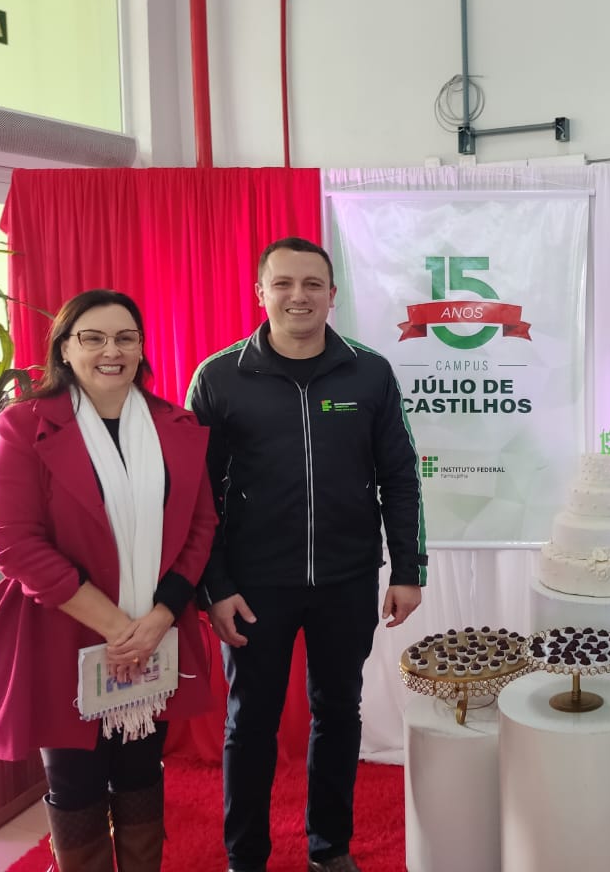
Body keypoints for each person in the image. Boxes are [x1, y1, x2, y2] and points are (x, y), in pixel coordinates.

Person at [187, 237, 426, 872]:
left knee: (338, 712)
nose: (299, 296)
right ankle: (245, 856)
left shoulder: (369, 372)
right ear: (260, 293)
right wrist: (215, 586)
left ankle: (330, 848)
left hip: (347, 579)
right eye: (284, 284)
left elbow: (399, 476)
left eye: (313, 284)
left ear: (331, 294)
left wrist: (408, 569)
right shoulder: (219, 377)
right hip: (253, 587)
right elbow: (194, 495)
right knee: (250, 723)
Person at [0, 289, 217, 872]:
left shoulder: (175, 425)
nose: (112, 351)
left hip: (154, 631)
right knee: (75, 781)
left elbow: (200, 526)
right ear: (65, 348)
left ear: (140, 348)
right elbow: (13, 540)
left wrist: (159, 616)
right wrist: (117, 627)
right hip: (62, 630)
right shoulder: (26, 425)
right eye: (93, 338)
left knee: (141, 770)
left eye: (125, 338)